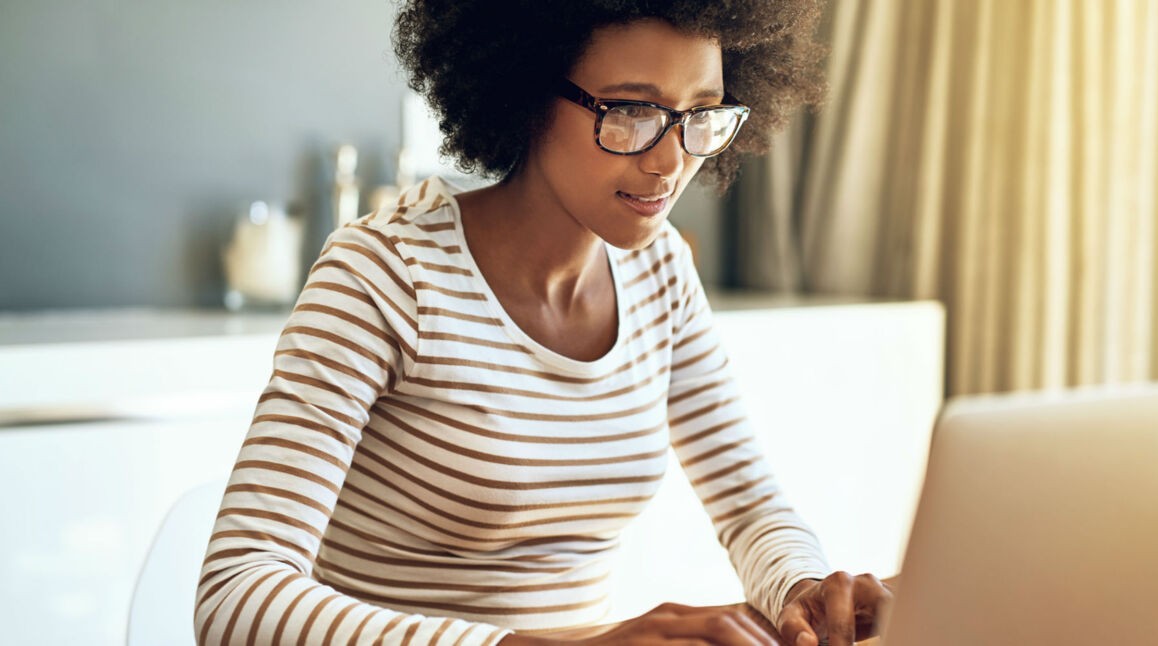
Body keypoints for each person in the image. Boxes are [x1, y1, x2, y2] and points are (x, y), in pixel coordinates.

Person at [194, 1, 895, 644]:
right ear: (528, 93)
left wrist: (801, 589)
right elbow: (236, 593)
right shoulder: (384, 276)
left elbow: (749, 506)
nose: (669, 160)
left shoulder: (661, 275)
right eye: (629, 111)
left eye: (700, 114)